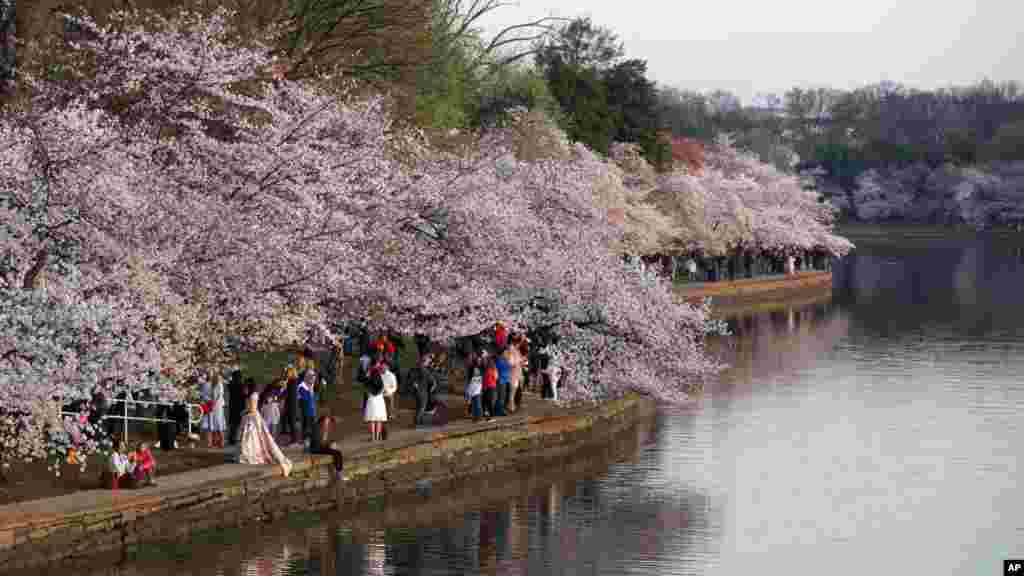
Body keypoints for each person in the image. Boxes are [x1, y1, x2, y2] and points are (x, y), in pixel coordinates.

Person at [238, 381, 293, 477]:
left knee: (251, 437)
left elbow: (252, 409)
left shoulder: (253, 395)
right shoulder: (255, 394)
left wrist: (244, 413)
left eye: (246, 387)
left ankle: (251, 454)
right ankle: (252, 453)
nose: (244, 389)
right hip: (254, 416)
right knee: (257, 437)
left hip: (252, 417)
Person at [309, 415, 345, 481]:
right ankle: (339, 474)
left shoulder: (327, 429)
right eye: (325, 422)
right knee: (336, 453)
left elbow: (330, 439)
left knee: (337, 452)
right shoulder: (317, 429)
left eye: (328, 422)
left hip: (324, 447)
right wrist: (329, 445)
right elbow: (318, 442)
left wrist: (333, 443)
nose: (327, 424)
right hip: (317, 448)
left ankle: (339, 472)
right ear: (321, 422)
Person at [408, 352, 438, 427]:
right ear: (424, 362)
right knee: (421, 407)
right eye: (428, 361)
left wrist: (415, 384)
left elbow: (412, 378)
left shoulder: (416, 369)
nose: (429, 363)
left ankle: (417, 422)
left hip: (417, 391)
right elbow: (433, 381)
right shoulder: (424, 370)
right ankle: (417, 423)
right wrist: (431, 388)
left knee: (419, 407)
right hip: (423, 392)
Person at [364, 370, 388, 441]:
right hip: (379, 401)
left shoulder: (368, 382)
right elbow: (383, 390)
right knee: (379, 420)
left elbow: (366, 390)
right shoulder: (381, 382)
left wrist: (367, 376)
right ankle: (377, 437)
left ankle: (373, 437)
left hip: (371, 400)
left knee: (372, 420)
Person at [298, 370, 318, 446]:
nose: (313, 380)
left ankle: (313, 441)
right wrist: (310, 390)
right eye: (312, 378)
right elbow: (305, 399)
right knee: (306, 427)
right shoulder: (302, 386)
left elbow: (313, 399)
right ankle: (305, 441)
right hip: (305, 411)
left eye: (314, 378)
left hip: (312, 411)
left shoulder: (311, 386)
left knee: (313, 427)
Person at [207, 372, 226, 448]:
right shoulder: (213, 385)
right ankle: (215, 442)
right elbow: (212, 396)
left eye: (218, 377)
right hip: (214, 406)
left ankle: (221, 442)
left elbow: (219, 396)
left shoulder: (220, 385)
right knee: (214, 424)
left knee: (219, 423)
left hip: (218, 406)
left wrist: (214, 403)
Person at [227, 368, 244, 445]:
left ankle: (231, 438)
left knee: (232, 424)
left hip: (232, 406)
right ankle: (236, 438)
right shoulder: (242, 386)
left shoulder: (231, 385)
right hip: (239, 406)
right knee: (237, 424)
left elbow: (228, 382)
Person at [493, 346, 510, 417]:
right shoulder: (499, 361)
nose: (507, 354)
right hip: (501, 381)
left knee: (502, 396)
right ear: (502, 353)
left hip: (504, 380)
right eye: (506, 352)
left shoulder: (504, 360)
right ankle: (498, 411)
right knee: (501, 397)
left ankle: (500, 410)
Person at [481, 353, 497, 419]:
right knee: (485, 400)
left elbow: (495, 377)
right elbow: (495, 377)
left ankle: (490, 414)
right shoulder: (486, 368)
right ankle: (487, 413)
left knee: (488, 400)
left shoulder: (491, 368)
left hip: (490, 386)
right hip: (488, 385)